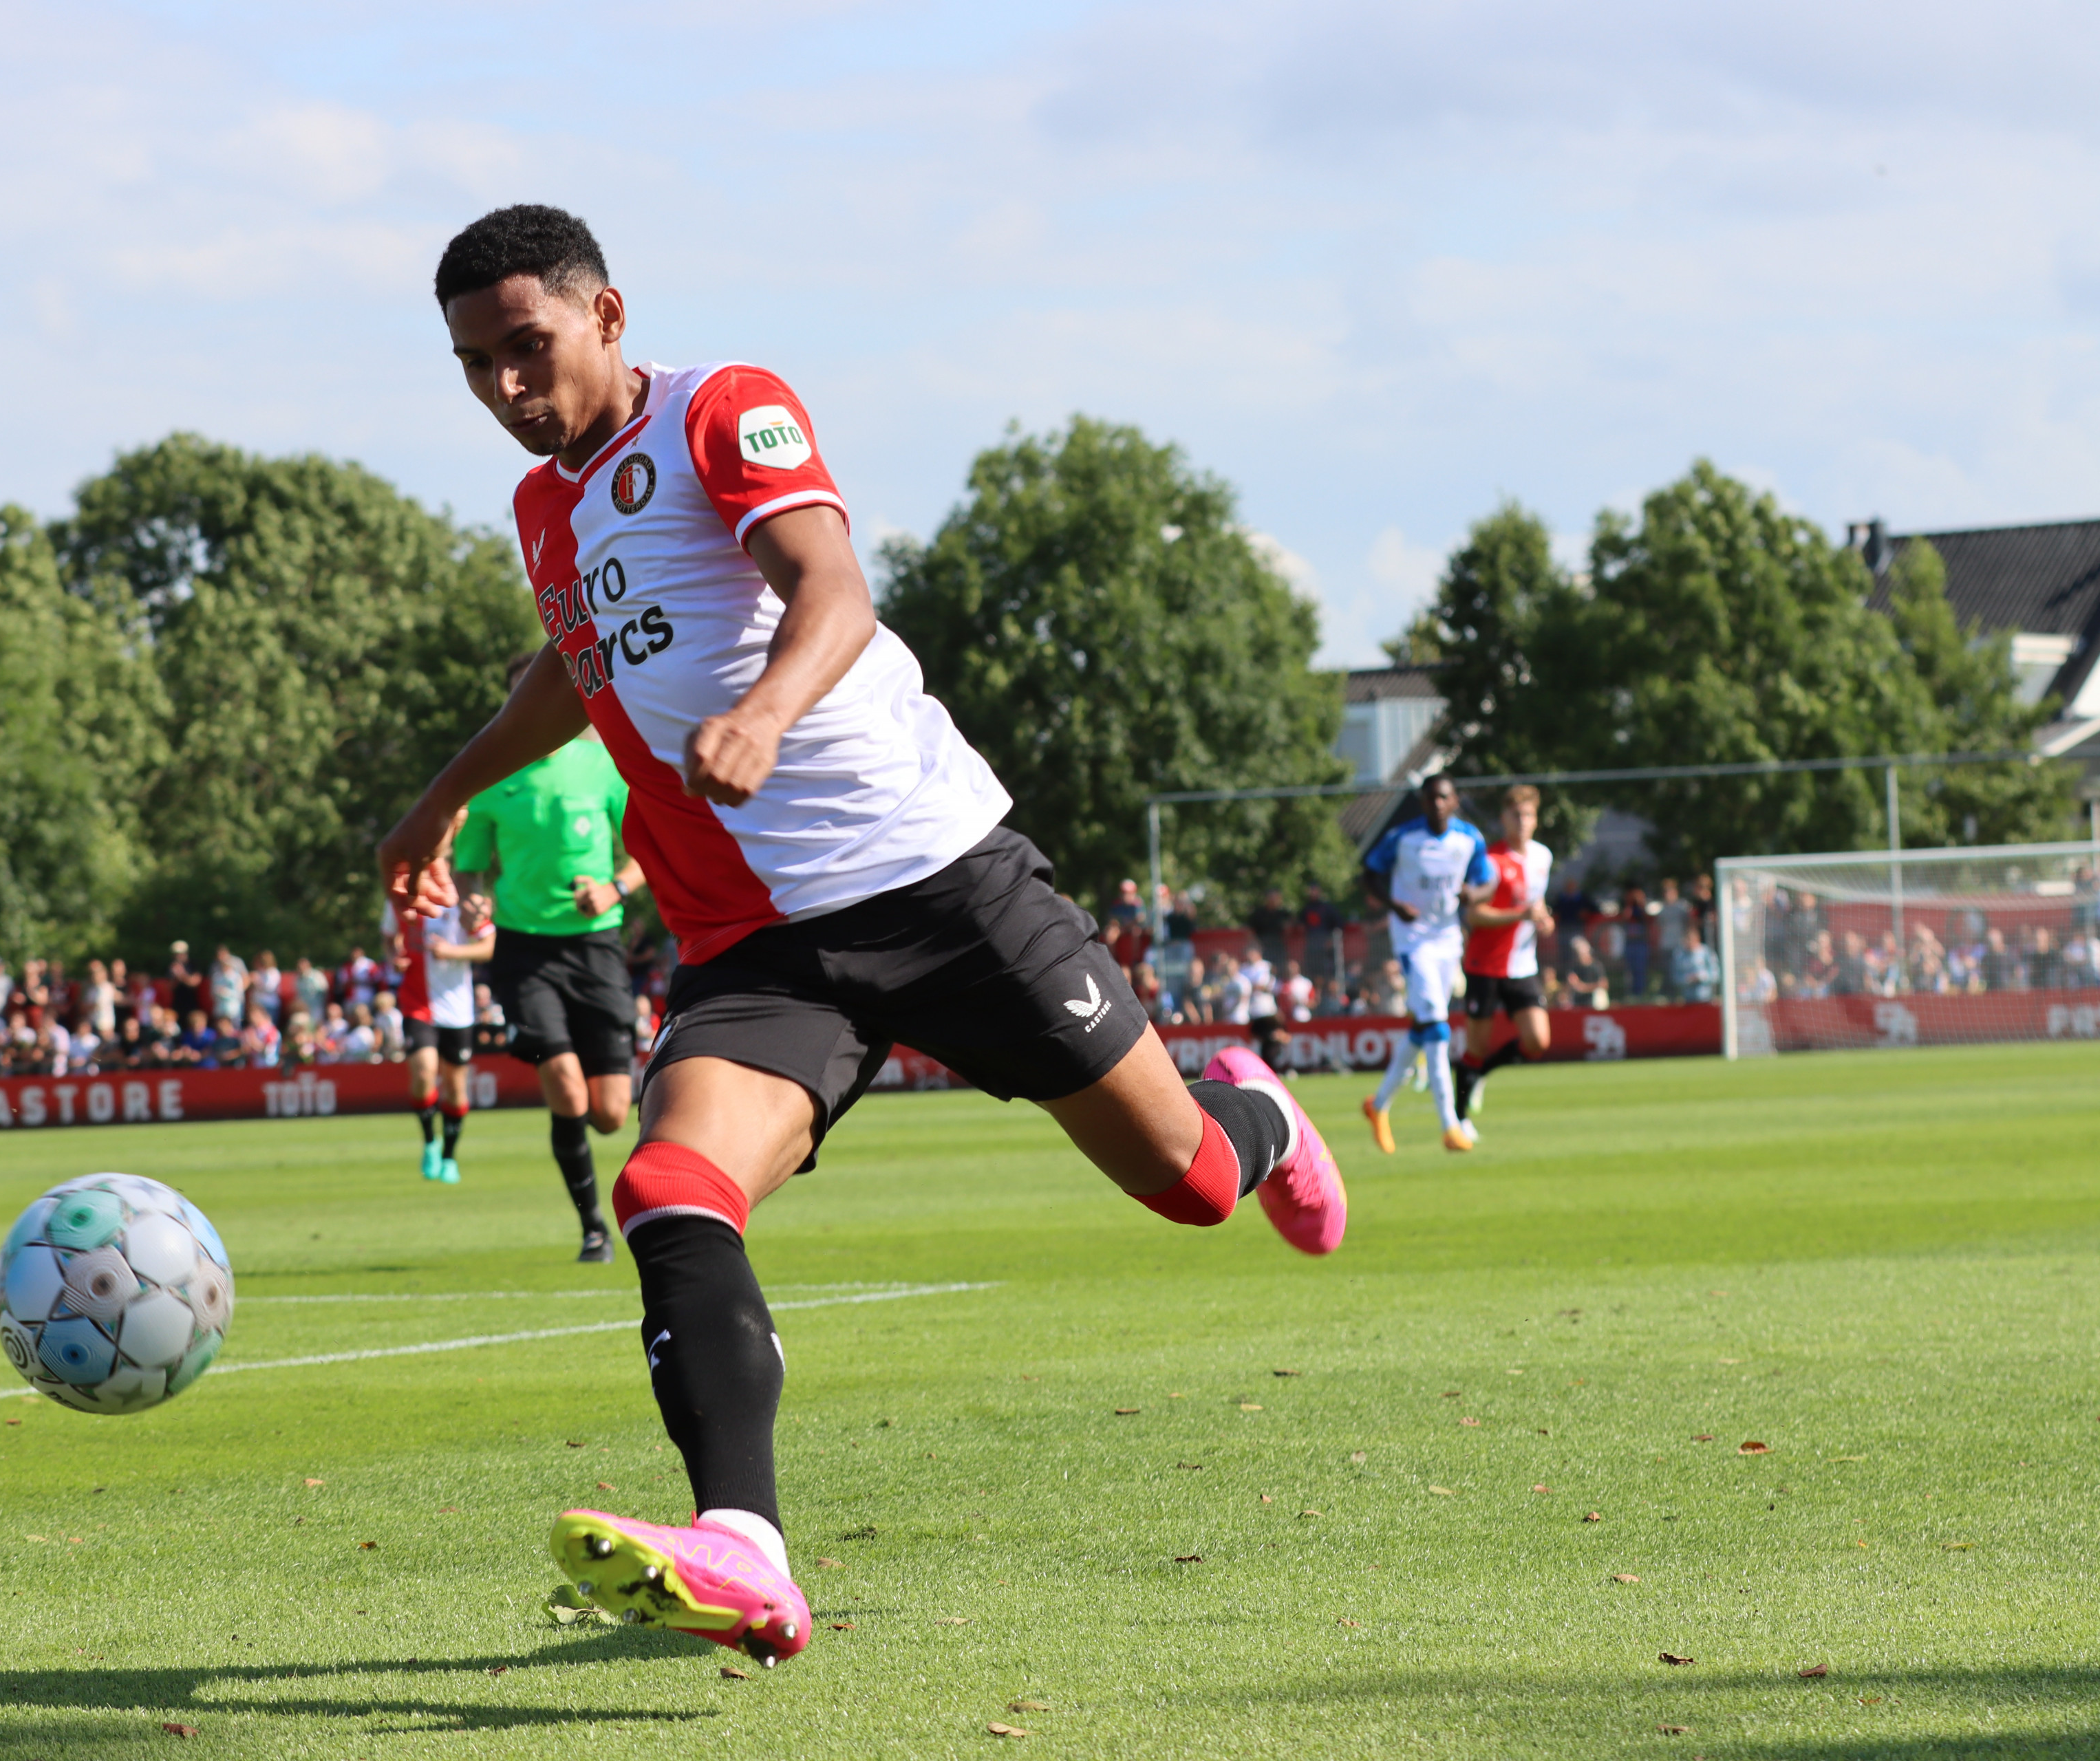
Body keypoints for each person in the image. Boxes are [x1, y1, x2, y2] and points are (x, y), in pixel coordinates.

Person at [376, 205, 1345, 1666]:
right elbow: (572, 678)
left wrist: (761, 712)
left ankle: (1255, 1109)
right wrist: (439, 798)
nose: (508, 388)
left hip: (938, 881)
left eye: (530, 347)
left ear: (609, 315)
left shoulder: (724, 408)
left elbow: (830, 584)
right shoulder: (545, 514)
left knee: (1191, 1182)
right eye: (475, 365)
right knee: (670, 1178)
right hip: (752, 940)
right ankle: (746, 1548)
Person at [451, 651, 650, 1264]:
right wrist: (471, 901)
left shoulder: (603, 766)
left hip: (596, 948)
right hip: (523, 952)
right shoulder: (490, 777)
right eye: (520, 698)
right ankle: (594, 1228)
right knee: (565, 1085)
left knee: (613, 1114)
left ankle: (606, 1205)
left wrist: (614, 887)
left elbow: (647, 851)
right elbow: (470, 869)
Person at [1357, 775, 1494, 1156]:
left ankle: (1379, 1105)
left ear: (1455, 802)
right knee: (1436, 1021)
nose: (1437, 803)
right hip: (1412, 941)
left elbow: (1487, 883)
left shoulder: (1470, 838)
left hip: (1447, 940)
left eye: (1445, 797)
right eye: (1431, 797)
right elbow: (1369, 873)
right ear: (1423, 801)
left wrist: (1473, 894)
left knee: (1424, 1026)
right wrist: (1393, 905)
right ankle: (1450, 1125)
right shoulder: (1402, 837)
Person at [1454, 784, 1556, 1123]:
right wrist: (1521, 915)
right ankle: (1460, 1121)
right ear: (1504, 819)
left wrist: (1543, 919)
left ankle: (1483, 1074)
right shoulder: (1491, 861)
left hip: (1523, 965)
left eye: (1528, 814)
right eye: (1516, 815)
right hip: (1485, 965)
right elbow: (1473, 915)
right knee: (1475, 1048)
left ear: (1536, 819)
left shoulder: (1543, 856)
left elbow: (1536, 903)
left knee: (1538, 1041)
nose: (1522, 821)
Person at [389, 889, 497, 1182]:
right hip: (417, 1005)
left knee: (455, 1086)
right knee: (424, 1073)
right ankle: (429, 1143)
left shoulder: (460, 900)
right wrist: (394, 957)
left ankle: (449, 1158)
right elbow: (390, 940)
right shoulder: (399, 899)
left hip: (457, 1011)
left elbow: (488, 947)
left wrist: (452, 952)